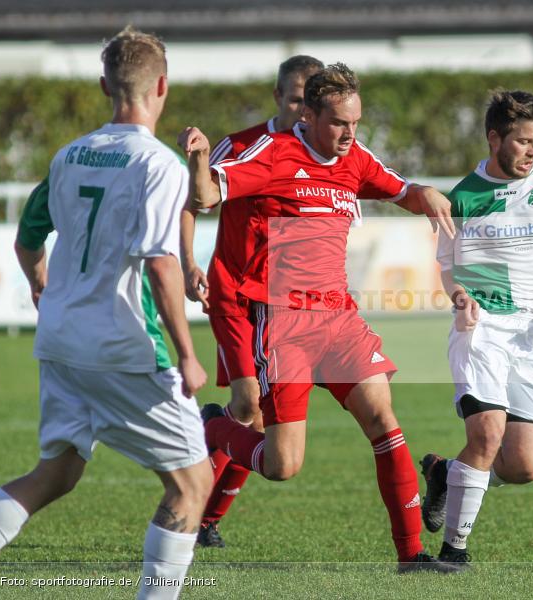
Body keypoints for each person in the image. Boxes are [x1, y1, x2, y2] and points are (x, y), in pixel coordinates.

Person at [177, 62, 459, 572]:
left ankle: (411, 555)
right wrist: (198, 159)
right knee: (283, 464)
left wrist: (428, 195)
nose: (350, 135)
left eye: (355, 123)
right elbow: (205, 195)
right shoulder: (274, 154)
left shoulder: (354, 158)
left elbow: (400, 189)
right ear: (308, 115)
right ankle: (217, 427)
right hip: (283, 322)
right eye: (339, 124)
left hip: (339, 319)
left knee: (383, 417)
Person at [0, 27, 212, 599]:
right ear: (162, 85)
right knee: (191, 486)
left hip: (62, 342)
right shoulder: (158, 165)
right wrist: (187, 355)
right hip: (125, 349)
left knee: (54, 475)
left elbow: (29, 235)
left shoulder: (68, 157)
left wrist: (41, 285)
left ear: (104, 85)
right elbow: (161, 265)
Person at [420, 89, 533, 565]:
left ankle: (445, 474)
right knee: (488, 435)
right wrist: (460, 298)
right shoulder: (464, 197)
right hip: (481, 331)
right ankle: (453, 552)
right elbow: (447, 266)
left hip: (532, 336)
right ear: (494, 138)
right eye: (522, 141)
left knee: (523, 465)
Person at [180, 54, 324, 548]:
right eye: (294, 100)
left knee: (257, 418)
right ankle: (213, 432)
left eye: (311, 103)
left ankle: (206, 518)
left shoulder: (318, 154)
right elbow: (193, 200)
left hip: (278, 303)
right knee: (247, 403)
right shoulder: (242, 145)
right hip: (233, 294)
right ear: (277, 96)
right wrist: (188, 263)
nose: (302, 112)